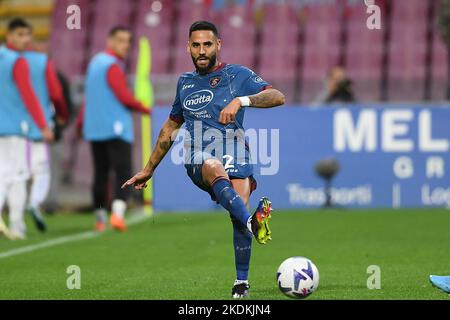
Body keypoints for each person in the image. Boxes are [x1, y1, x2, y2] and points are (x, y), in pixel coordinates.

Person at [122, 21, 285, 298]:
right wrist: (149, 169)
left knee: (238, 209)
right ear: (188, 47)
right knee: (212, 166)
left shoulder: (237, 75)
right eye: (195, 45)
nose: (201, 50)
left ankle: (241, 283)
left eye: (207, 44)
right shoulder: (184, 83)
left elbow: (277, 96)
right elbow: (170, 127)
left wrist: (242, 101)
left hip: (235, 148)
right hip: (199, 154)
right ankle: (253, 223)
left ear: (218, 45)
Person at [77, 26, 150, 232]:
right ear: (109, 41)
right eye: (120, 40)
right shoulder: (113, 66)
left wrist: (82, 121)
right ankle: (117, 215)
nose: (125, 45)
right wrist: (144, 108)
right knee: (123, 172)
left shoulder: (94, 63)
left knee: (100, 173)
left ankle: (100, 218)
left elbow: (88, 97)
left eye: (127, 41)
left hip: (95, 127)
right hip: (116, 128)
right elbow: (123, 96)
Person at [0, 18, 54, 240]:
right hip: (16, 128)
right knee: (16, 176)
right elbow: (29, 96)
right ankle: (17, 225)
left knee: (4, 174)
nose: (25, 40)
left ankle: (15, 224)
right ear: (9, 35)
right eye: (20, 35)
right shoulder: (18, 62)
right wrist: (43, 125)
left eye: (27, 35)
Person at [22, 25, 69, 232]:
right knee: (41, 170)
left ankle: (16, 220)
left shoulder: (15, 67)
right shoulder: (48, 70)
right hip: (41, 128)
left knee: (13, 171)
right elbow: (59, 98)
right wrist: (60, 119)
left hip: (13, 127)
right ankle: (34, 202)